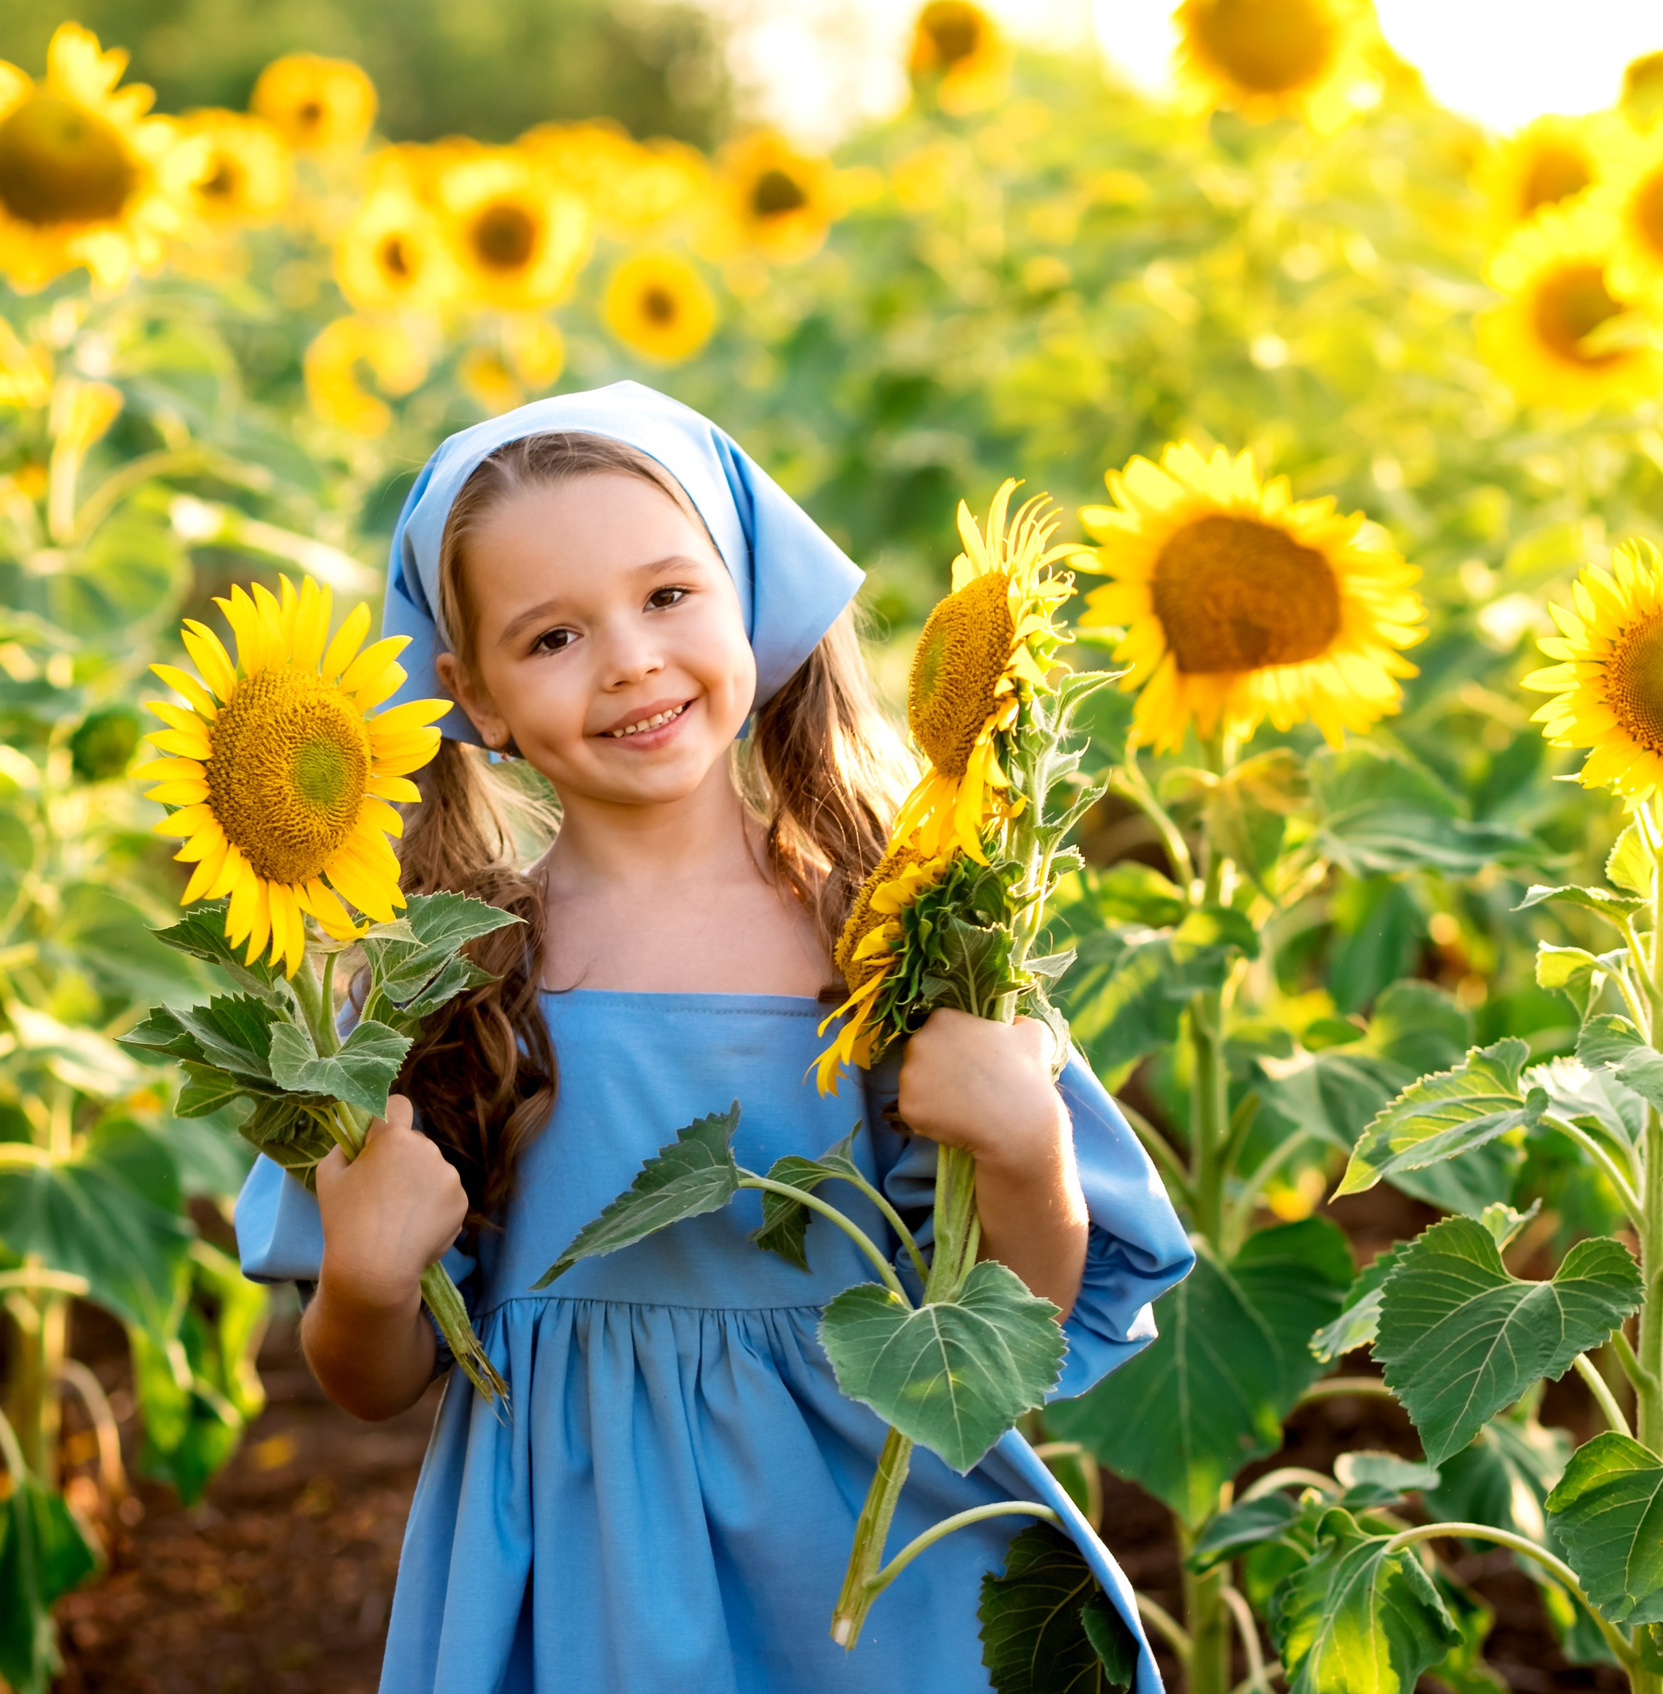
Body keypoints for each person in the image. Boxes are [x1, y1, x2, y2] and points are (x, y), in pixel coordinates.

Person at [230, 381, 1194, 1692]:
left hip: (880, 1566)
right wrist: (364, 1276)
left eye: (669, 596)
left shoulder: (900, 933)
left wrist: (1028, 1147)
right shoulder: (440, 975)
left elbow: (1005, 1340)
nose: (629, 658)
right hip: (584, 1589)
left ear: (747, 594)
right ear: (477, 696)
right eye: (554, 635)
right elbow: (372, 1378)